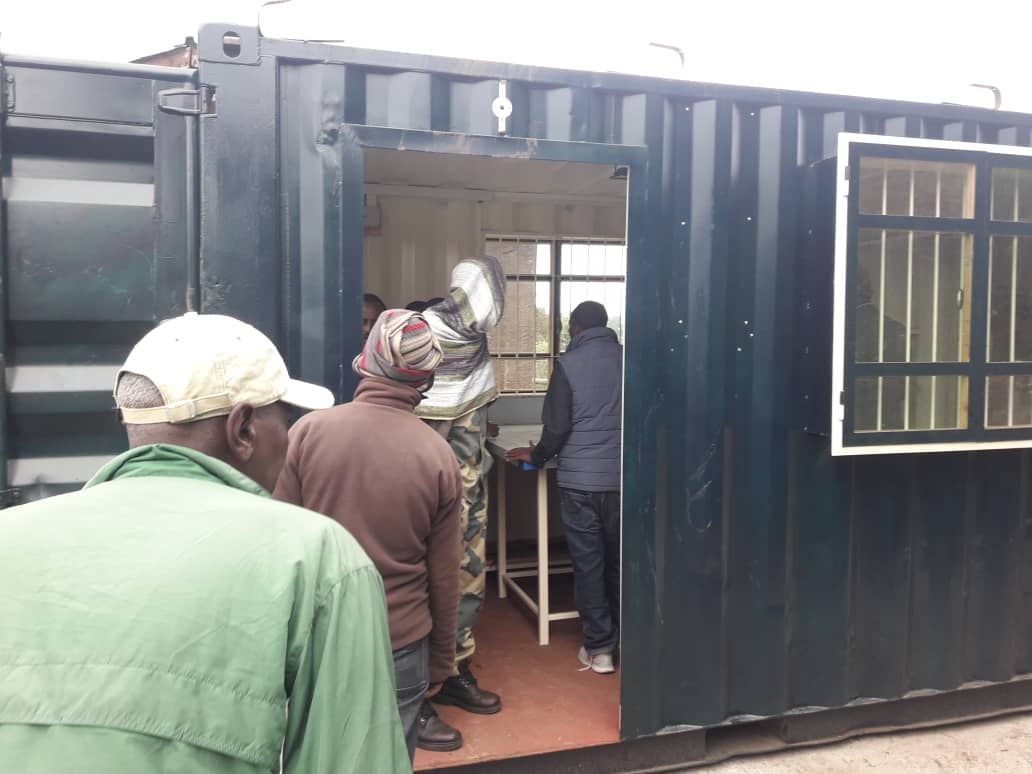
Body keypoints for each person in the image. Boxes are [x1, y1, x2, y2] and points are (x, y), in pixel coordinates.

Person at [0, 312, 411, 774]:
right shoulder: (317, 557)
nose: (290, 436)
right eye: (285, 419)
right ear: (243, 429)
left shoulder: (7, 536)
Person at [275, 309, 465, 757]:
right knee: (391, 758)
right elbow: (444, 576)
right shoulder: (438, 456)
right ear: (425, 379)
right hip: (402, 644)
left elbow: (279, 544)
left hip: (320, 639)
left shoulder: (307, 432)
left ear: (367, 359)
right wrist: (441, 659)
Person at [507, 301, 622, 675]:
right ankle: (627, 639)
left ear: (573, 327)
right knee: (620, 562)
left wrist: (535, 456)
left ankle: (600, 650)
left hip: (579, 485)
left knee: (589, 565)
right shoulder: (633, 361)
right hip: (625, 482)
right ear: (606, 325)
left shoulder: (568, 365)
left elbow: (556, 429)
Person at [416, 257, 505, 728]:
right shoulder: (417, 335)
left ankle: (454, 672)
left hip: (468, 505)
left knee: (468, 584)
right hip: (423, 506)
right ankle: (417, 692)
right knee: (418, 587)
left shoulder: (475, 345)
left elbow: (474, 433)